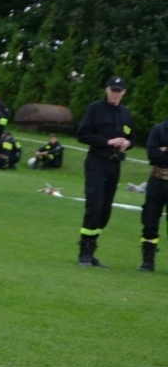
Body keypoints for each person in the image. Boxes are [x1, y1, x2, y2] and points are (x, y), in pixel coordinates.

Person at [76, 76, 134, 267]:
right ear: (106, 90)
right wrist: (107, 142)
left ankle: (92, 250)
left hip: (114, 164)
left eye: (119, 91)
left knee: (106, 210)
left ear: (124, 92)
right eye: (112, 90)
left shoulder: (125, 113)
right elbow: (82, 134)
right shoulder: (95, 108)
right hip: (96, 162)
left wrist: (127, 143)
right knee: (95, 206)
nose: (115, 94)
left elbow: (131, 136)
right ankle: (83, 252)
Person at [137, 120, 168, 271]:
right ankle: (148, 261)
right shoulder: (159, 129)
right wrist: (159, 153)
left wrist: (164, 151)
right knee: (149, 221)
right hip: (156, 181)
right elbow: (152, 155)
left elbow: (160, 155)